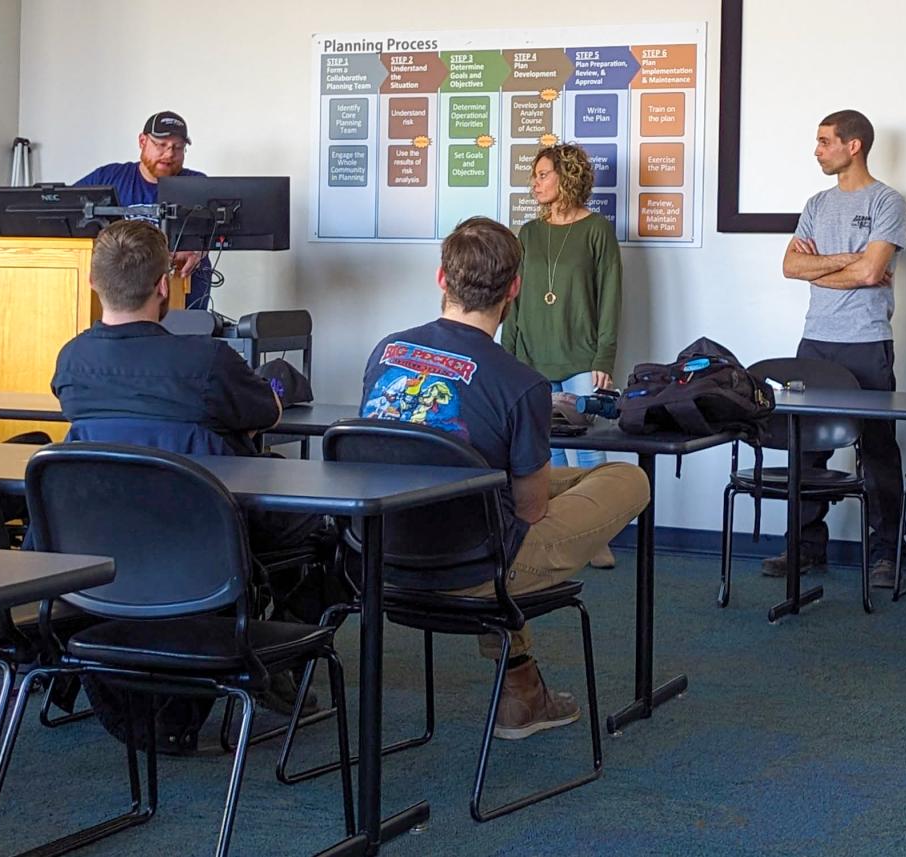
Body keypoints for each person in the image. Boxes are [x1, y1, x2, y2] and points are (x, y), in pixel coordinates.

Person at [360, 216, 649, 740]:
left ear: (442, 279)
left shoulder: (386, 352)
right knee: (626, 480)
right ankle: (523, 696)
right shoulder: (521, 383)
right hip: (470, 569)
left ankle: (523, 690)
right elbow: (530, 512)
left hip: (381, 555)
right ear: (515, 288)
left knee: (489, 499)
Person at [51, 219, 326, 749]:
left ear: (93, 282)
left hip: (101, 548)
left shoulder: (72, 360)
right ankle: (276, 657)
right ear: (164, 285)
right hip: (206, 547)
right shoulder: (206, 360)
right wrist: (276, 382)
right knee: (324, 528)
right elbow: (266, 412)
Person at [773, 109, 906, 589]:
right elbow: (790, 266)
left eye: (825, 141)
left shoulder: (888, 202)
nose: (817, 150)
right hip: (815, 341)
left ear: (854, 146)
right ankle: (806, 549)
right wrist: (854, 258)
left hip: (867, 340)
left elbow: (874, 275)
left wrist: (829, 267)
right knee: (807, 449)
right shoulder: (816, 203)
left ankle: (887, 554)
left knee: (876, 451)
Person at [500, 143, 623, 569]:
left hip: (581, 357)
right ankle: (558, 537)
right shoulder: (529, 234)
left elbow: (610, 298)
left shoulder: (597, 230)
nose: (534, 183)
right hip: (532, 356)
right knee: (544, 456)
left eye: (543, 174)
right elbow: (513, 300)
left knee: (587, 454)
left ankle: (595, 536)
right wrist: (506, 355)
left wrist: (603, 358)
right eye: (534, 175)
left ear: (566, 177)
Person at [74, 110, 214, 310]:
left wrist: (200, 250)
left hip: (183, 291)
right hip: (118, 294)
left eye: (178, 148)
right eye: (161, 145)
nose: (169, 154)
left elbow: (223, 232)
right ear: (142, 141)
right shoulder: (107, 178)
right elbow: (68, 212)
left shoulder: (198, 185)